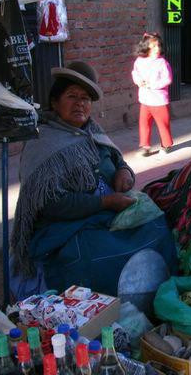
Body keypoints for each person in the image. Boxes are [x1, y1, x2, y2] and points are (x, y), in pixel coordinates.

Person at [10, 61, 176, 298]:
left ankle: (156, 294)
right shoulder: (42, 143)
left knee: (156, 225)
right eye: (72, 96)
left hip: (108, 211)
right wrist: (105, 203)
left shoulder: (93, 130)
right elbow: (51, 205)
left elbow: (118, 160)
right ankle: (108, 310)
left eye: (86, 98)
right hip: (66, 225)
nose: (80, 103)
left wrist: (124, 173)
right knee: (100, 256)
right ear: (55, 103)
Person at [132, 32, 174, 156]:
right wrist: (138, 81)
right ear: (146, 47)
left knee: (163, 123)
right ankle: (145, 146)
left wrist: (153, 85)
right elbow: (135, 73)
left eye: (158, 46)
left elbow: (168, 79)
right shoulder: (139, 61)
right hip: (145, 99)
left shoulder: (162, 63)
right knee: (144, 123)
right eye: (154, 46)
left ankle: (166, 144)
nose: (157, 49)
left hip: (159, 100)